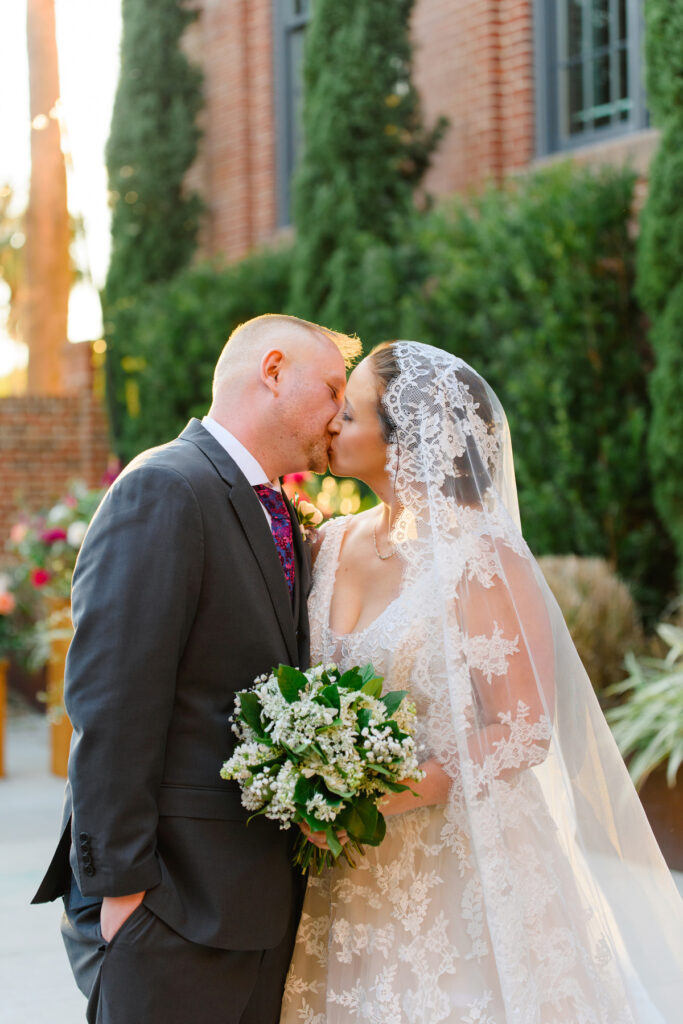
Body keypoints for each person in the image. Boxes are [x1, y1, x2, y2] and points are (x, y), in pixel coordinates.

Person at [281, 340, 683, 1024]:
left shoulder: (481, 558)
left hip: (457, 866)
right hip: (343, 877)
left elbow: (522, 730)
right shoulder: (329, 542)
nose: (330, 427)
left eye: (348, 414)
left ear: (403, 434)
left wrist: (394, 791)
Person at [32, 314, 361, 1024]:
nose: (341, 415)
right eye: (332, 390)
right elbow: (111, 702)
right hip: (172, 909)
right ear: (271, 372)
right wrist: (119, 895)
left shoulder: (273, 506)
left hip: (256, 908)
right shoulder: (164, 487)